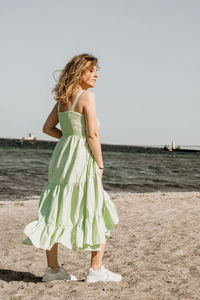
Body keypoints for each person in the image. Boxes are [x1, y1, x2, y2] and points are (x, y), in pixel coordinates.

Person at [22, 53, 122, 283]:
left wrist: (68, 138)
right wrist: (100, 163)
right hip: (82, 157)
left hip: (63, 157)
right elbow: (93, 134)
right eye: (91, 70)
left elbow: (47, 128)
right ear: (79, 73)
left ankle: (52, 271)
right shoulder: (87, 96)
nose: (96, 74)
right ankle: (95, 270)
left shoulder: (63, 98)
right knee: (95, 206)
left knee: (55, 208)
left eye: (97, 70)